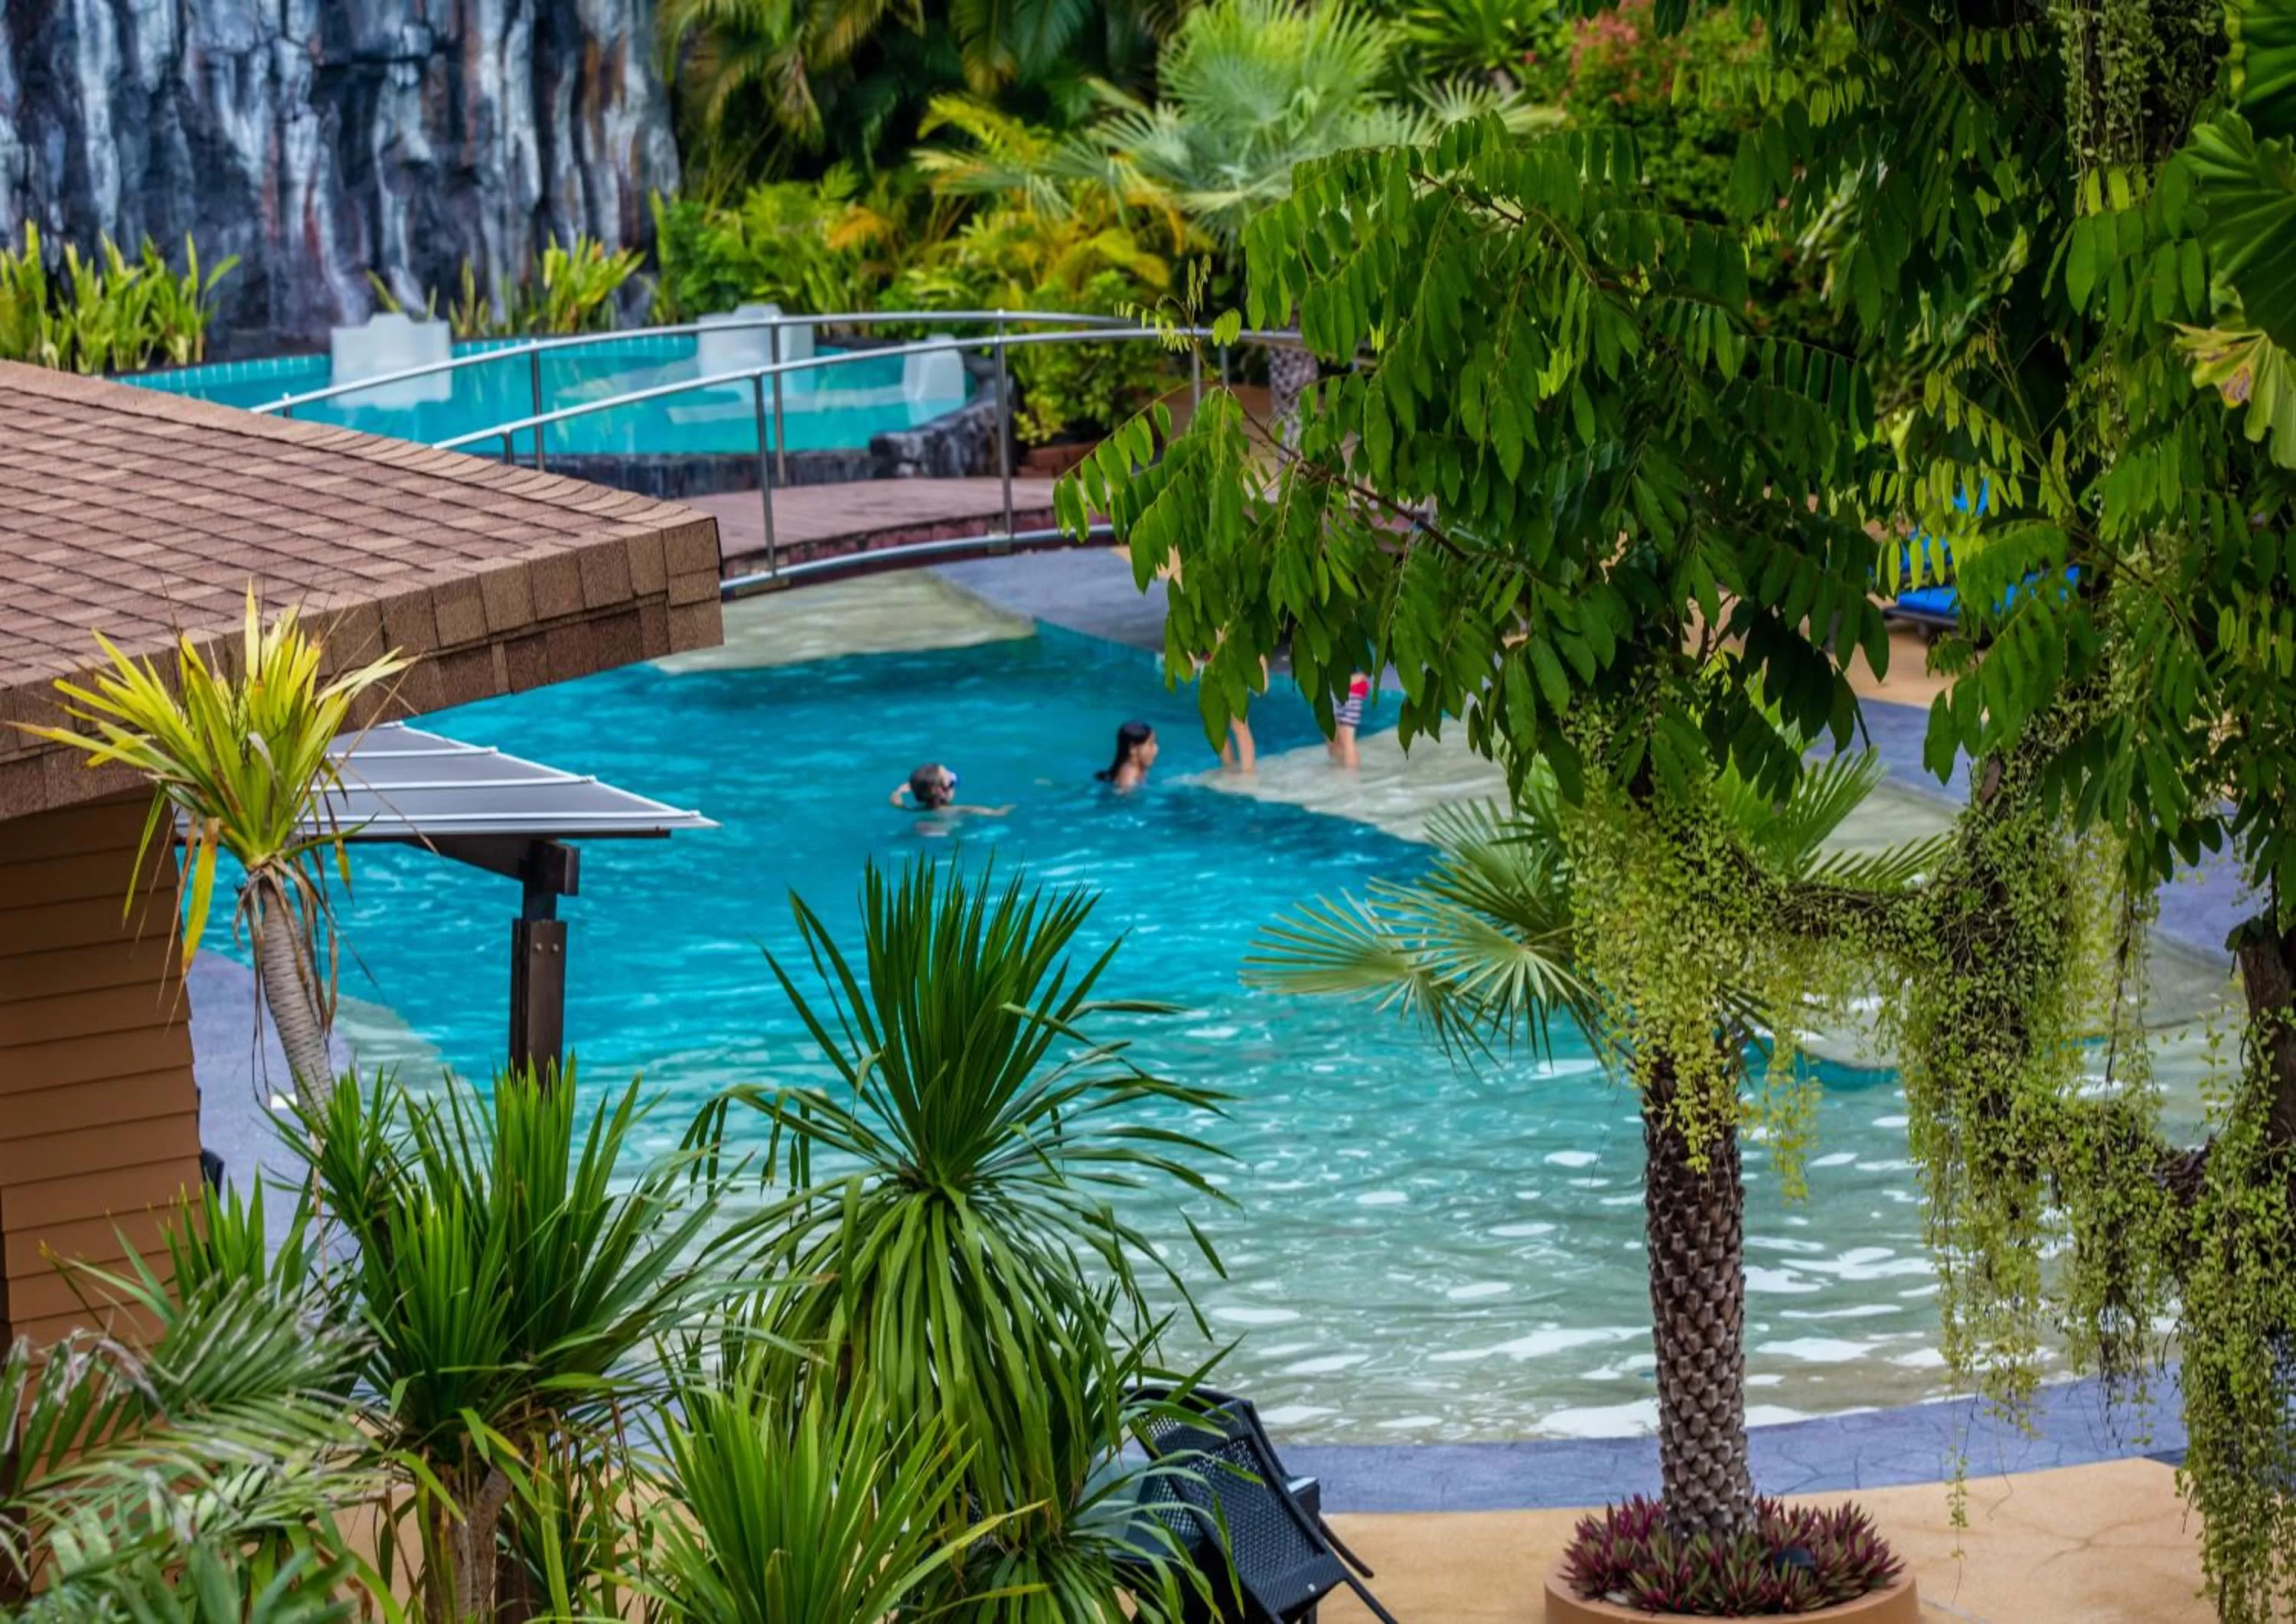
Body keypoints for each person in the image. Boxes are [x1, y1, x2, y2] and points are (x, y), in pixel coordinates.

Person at [889, 763, 1010, 817]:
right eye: (951, 783)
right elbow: (998, 813)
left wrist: (899, 791)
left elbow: (896, 803)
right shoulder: (962, 810)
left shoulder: (917, 810)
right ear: (941, 792)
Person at [1095, 720, 1159, 791]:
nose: (1156, 749)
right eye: (1151, 744)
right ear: (1133, 748)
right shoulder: (1128, 780)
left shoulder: (1139, 770)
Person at [1329, 671, 1372, 768]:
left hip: (1350, 684)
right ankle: (1339, 772)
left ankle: (1351, 778)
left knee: (1346, 737)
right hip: (1332, 684)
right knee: (1333, 736)